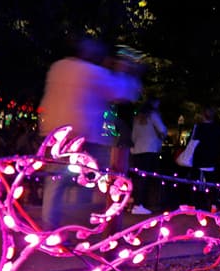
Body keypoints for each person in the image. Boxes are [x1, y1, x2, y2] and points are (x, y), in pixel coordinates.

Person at [38, 36, 142, 229]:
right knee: (110, 175)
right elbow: (123, 92)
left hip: (55, 135)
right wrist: (125, 71)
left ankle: (50, 228)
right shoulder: (91, 72)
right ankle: (91, 224)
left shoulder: (57, 68)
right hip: (85, 136)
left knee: (56, 181)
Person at [129, 99, 168, 214]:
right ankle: (142, 204)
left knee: (138, 178)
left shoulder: (137, 117)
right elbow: (162, 129)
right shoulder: (153, 115)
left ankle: (135, 202)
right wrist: (161, 137)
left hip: (137, 150)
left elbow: (133, 134)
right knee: (148, 177)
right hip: (150, 149)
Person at [183, 107, 220, 210]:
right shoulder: (217, 128)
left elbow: (191, 141)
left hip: (199, 159)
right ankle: (214, 205)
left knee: (196, 183)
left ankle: (196, 205)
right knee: (212, 183)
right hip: (212, 159)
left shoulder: (198, 128)